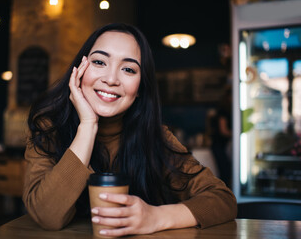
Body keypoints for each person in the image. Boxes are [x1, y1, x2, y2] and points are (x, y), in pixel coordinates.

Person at [23, 23, 237, 236]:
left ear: (141, 87)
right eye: (99, 62)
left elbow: (223, 199)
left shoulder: (155, 137)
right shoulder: (48, 128)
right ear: (79, 70)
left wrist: (156, 217)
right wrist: (88, 126)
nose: (111, 79)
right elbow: (47, 216)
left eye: (128, 69)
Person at [210, 85, 232, 187]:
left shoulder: (226, 111)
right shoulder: (223, 111)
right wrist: (236, 134)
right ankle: (224, 197)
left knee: (225, 172)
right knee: (225, 173)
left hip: (221, 146)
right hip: (218, 146)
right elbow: (224, 131)